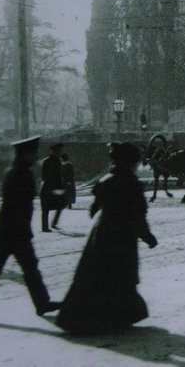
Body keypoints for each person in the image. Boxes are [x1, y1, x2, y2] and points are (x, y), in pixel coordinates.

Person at [56, 142, 158, 333]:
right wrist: (147, 236)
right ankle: (118, 315)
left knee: (96, 274)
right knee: (120, 275)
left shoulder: (105, 180)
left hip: (101, 232)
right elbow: (138, 215)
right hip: (122, 235)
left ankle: (82, 316)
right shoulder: (133, 184)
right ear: (132, 163)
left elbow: (93, 210)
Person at [0, 136, 62, 323]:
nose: (36, 155)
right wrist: (22, 231)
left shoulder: (14, 171)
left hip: (9, 228)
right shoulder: (22, 174)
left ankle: (42, 302)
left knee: (14, 268)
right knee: (11, 268)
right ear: (26, 154)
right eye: (34, 152)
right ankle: (42, 303)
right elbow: (20, 206)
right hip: (14, 230)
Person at [40, 143, 66, 231]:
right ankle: (45, 227)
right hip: (48, 187)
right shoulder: (47, 161)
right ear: (54, 151)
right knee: (46, 208)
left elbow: (59, 175)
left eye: (60, 151)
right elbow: (44, 175)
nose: (60, 152)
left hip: (55, 187)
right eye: (58, 151)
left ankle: (53, 223)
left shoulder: (58, 161)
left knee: (60, 205)